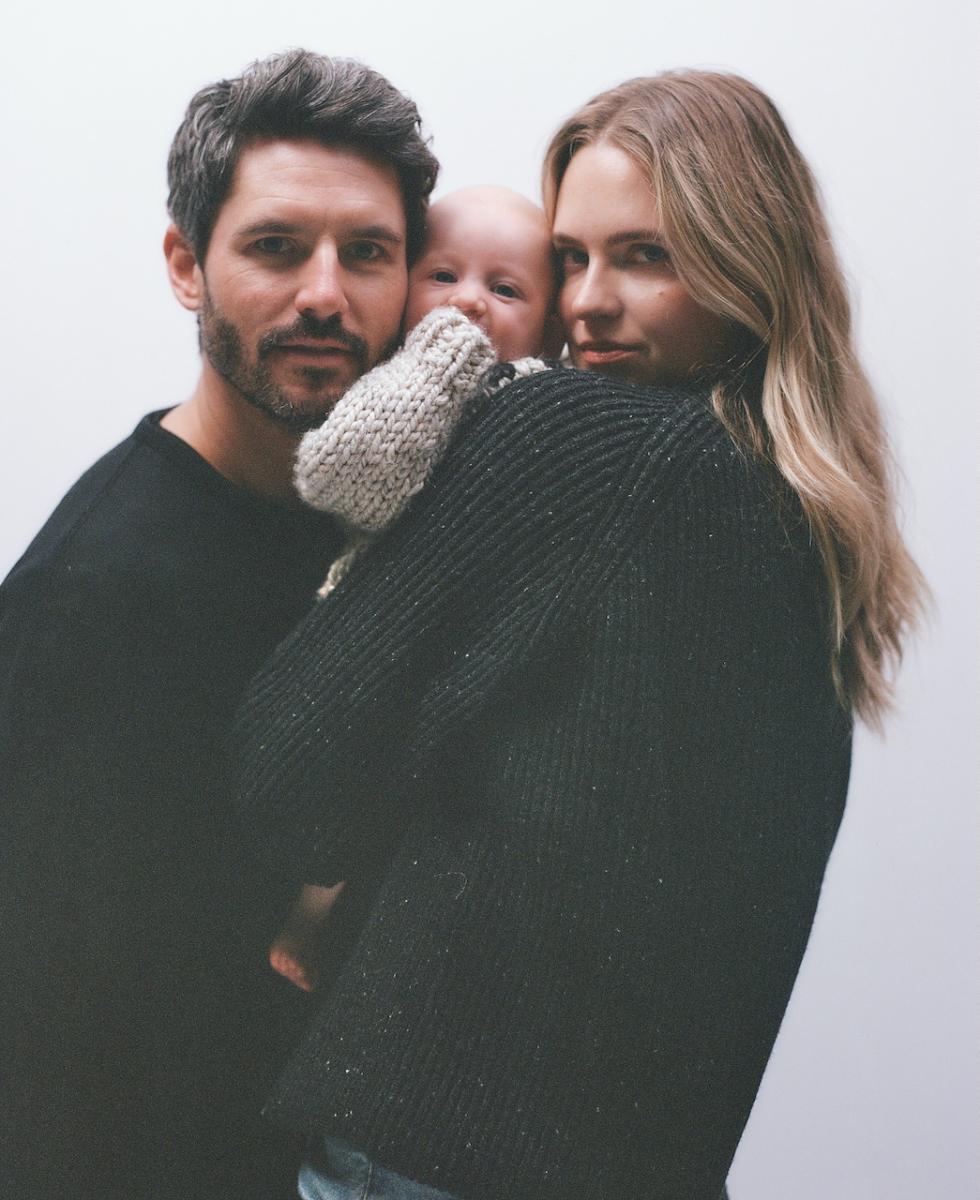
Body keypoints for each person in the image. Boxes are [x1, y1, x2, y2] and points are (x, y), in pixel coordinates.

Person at [231, 71, 925, 1199]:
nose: (589, 302)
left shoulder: (581, 439)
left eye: (644, 256)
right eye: (569, 259)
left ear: (750, 260)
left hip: (425, 1163)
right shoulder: (810, 521)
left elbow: (289, 776)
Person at [0, 49, 437, 1200]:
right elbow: (46, 1056)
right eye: (276, 246)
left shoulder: (391, 532)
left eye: (368, 252)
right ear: (186, 266)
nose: (325, 295)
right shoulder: (94, 598)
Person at [265, 184, 562, 992]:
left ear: (550, 327)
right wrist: (439, 365)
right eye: (442, 276)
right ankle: (311, 914)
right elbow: (343, 480)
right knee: (347, 787)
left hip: (475, 647)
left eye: (506, 289)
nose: (469, 302)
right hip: (376, 629)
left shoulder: (542, 400)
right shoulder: (400, 382)